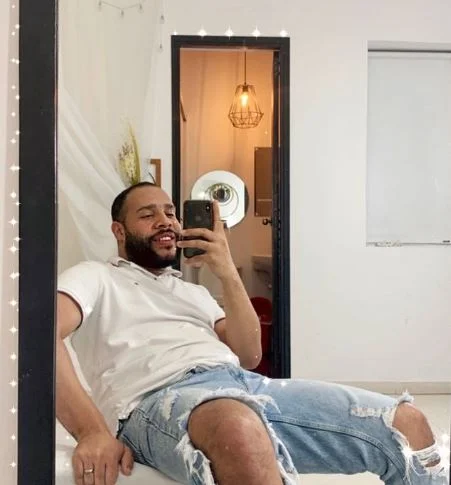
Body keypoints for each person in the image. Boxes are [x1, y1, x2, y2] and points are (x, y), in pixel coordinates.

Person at [57, 181, 446, 485]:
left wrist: (226, 270)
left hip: (243, 386)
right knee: (237, 426)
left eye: (171, 213)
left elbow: (249, 355)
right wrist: (91, 432)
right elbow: (41, 335)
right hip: (156, 399)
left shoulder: (192, 292)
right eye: (148, 215)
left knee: (407, 422)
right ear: (119, 230)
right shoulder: (96, 276)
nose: (166, 221)